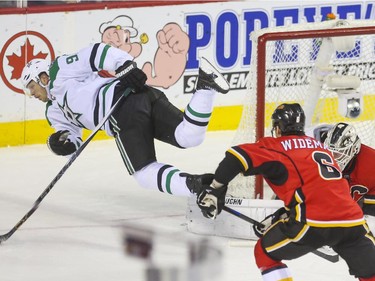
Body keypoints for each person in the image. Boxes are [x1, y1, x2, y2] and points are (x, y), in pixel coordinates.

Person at [20, 42, 229, 196]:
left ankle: (194, 189)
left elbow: (95, 53)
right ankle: (206, 86)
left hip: (121, 107)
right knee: (189, 136)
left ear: (42, 77)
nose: (33, 95)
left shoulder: (59, 70)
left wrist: (125, 65)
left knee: (144, 172)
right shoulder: (53, 111)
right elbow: (72, 139)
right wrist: (59, 144)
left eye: (32, 87)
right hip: (141, 97)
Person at [194, 103, 375, 281]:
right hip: (353, 221)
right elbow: (321, 192)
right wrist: (279, 217)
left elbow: (236, 157)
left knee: (264, 254)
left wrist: (215, 189)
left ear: (278, 128)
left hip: (312, 222)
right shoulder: (319, 147)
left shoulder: (275, 146)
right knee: (370, 271)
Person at [323, 122, 375, 233]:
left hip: (364, 207)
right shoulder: (318, 158)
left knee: (370, 225)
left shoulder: (371, 163)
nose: (333, 158)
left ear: (354, 149)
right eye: (330, 152)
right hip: (338, 207)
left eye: (338, 154)